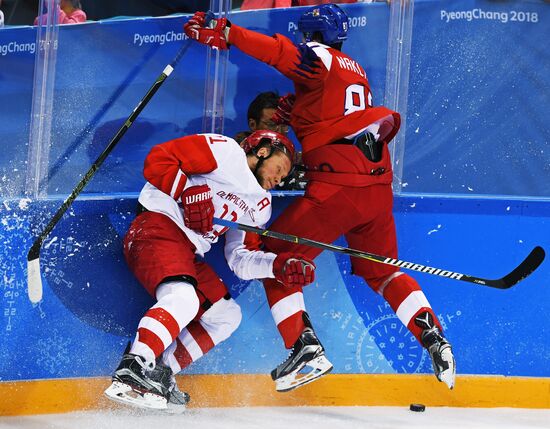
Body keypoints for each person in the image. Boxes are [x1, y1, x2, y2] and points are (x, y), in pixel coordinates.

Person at [184, 3, 456, 392]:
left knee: (275, 258)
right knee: (382, 271)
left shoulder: (319, 58)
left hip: (339, 187)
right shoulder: (356, 72)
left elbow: (278, 52)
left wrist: (227, 32)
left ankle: (304, 350)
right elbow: (336, 118)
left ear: (311, 35)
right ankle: (434, 338)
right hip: (377, 187)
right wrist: (297, 112)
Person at [104, 130, 316, 411]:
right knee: (183, 299)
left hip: (188, 253)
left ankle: (160, 371)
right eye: (279, 168)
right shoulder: (226, 151)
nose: (279, 179)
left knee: (226, 316)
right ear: (263, 151)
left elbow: (240, 258)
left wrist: (277, 265)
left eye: (283, 177)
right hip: (158, 226)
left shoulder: (261, 207)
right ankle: (134, 368)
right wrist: (185, 191)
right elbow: (159, 159)